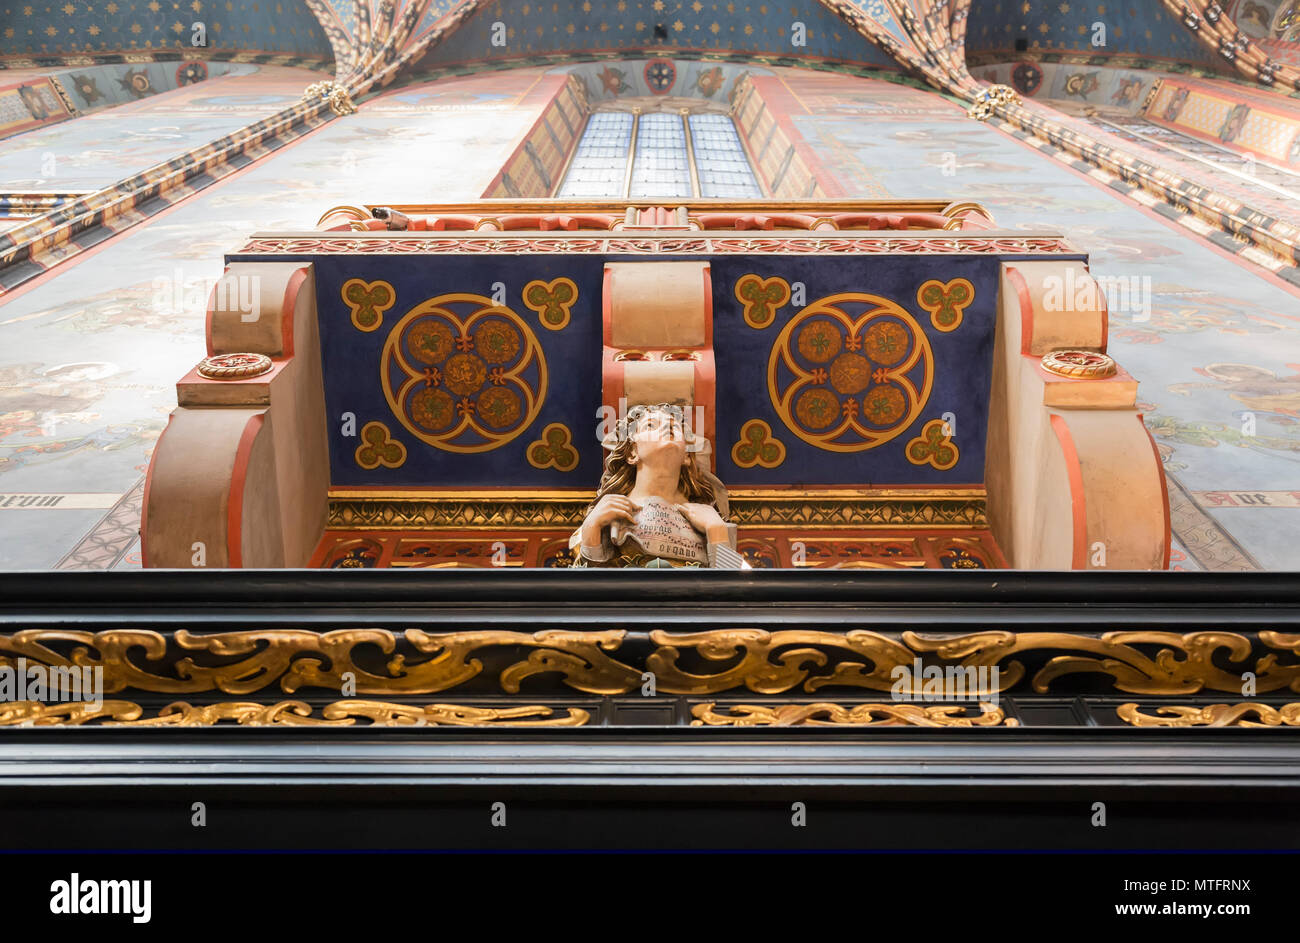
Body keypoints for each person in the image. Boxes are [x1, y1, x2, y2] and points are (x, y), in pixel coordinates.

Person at [570, 403, 747, 568]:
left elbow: (734, 591)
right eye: (650, 425)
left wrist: (716, 531)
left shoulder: (710, 519)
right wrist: (592, 531)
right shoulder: (607, 515)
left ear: (687, 455)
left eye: (674, 426)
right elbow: (590, 592)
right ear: (632, 452)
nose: (667, 428)